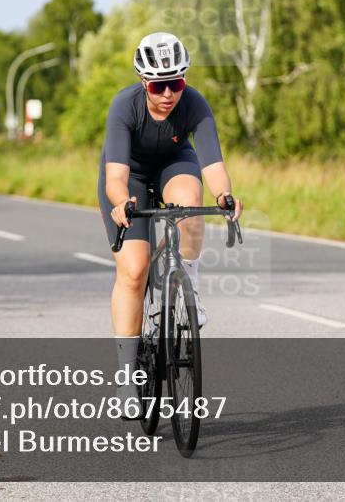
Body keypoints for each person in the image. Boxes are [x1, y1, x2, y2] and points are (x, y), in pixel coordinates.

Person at [97, 32, 243, 417]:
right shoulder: (124, 106)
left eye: (175, 84)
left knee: (190, 206)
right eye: (158, 86)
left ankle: (187, 286)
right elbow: (115, 177)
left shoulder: (194, 103)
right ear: (144, 82)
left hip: (174, 163)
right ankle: (127, 380)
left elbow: (213, 165)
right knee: (134, 271)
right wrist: (120, 202)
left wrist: (225, 196)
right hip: (129, 176)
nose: (167, 94)